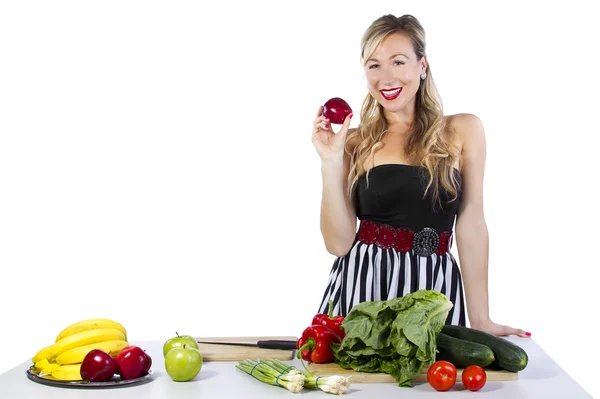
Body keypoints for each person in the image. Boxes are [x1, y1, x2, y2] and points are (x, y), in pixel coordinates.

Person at [312, 14, 529, 338]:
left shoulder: (464, 129)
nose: (385, 77)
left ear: (422, 65)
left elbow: (471, 223)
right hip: (366, 288)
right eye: (373, 65)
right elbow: (339, 243)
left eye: (398, 62)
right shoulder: (354, 141)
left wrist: (481, 318)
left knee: (433, 385)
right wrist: (330, 162)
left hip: (436, 288)